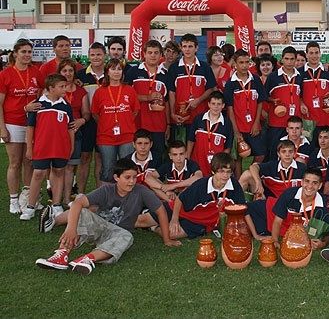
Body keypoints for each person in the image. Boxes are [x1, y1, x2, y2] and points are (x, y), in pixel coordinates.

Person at [35, 158, 180, 274]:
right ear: (116, 178)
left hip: (119, 233)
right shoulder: (106, 190)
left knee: (128, 237)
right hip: (99, 226)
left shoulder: (141, 191)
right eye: (127, 177)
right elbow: (78, 203)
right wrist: (71, 228)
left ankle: (86, 259)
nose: (132, 181)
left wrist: (167, 239)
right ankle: (61, 255)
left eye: (134, 177)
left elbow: (160, 210)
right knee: (84, 213)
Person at [138, 152, 245, 239]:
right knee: (140, 221)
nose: (225, 176)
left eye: (228, 172)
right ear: (213, 171)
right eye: (221, 171)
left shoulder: (234, 185)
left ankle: (154, 227)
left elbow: (242, 208)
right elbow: (180, 198)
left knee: (171, 234)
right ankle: (144, 218)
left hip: (199, 222)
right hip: (180, 209)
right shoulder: (202, 184)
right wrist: (174, 219)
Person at [20, 74, 74, 221]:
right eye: (61, 87)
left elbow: (70, 128)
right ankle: (30, 206)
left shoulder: (66, 106)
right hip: (41, 147)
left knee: (58, 172)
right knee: (38, 174)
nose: (65, 89)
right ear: (51, 88)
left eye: (66, 86)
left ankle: (56, 204)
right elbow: (30, 128)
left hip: (61, 147)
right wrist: (30, 148)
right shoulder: (38, 104)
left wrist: (71, 147)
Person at [0, 39, 44, 214]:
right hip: (13, 122)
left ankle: (27, 196)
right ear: (15, 53)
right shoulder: (6, 74)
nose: (27, 55)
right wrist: (2, 128)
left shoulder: (35, 72)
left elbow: (44, 89)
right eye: (23, 52)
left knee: (30, 161)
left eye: (29, 52)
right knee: (15, 163)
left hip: (33, 123)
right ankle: (13, 198)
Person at [246, 168, 329, 250]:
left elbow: (328, 232)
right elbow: (277, 221)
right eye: (307, 181)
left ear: (320, 185)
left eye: (314, 183)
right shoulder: (290, 194)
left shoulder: (323, 205)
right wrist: (275, 241)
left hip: (282, 226)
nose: (310, 186)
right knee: (241, 228)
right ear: (301, 182)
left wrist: (323, 244)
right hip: (263, 211)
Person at [91, 58, 140, 184]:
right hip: (106, 137)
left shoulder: (129, 90)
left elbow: (134, 111)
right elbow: (95, 113)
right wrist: (107, 123)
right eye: (113, 69)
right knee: (108, 169)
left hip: (127, 136)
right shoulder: (100, 92)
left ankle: (125, 200)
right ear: (107, 72)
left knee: (126, 169)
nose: (116, 72)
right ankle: (107, 201)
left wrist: (124, 121)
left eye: (119, 69)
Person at [224, 49, 267, 177]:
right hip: (237, 126)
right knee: (238, 156)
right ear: (235, 64)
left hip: (253, 126)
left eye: (247, 62)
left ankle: (249, 174)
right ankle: (239, 181)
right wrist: (236, 131)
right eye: (241, 62)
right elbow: (230, 108)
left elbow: (260, 102)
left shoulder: (255, 80)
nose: (244, 65)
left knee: (260, 154)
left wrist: (256, 123)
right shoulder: (230, 83)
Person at [167, 33, 217, 141]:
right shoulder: (174, 68)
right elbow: (171, 92)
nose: (187, 49)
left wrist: (199, 100)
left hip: (200, 113)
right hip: (180, 115)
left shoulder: (204, 67)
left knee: (198, 144)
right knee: (179, 147)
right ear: (181, 48)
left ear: (196, 48)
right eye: (184, 46)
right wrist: (172, 113)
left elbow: (211, 88)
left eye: (190, 46)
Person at [125, 40, 169, 162]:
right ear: (144, 54)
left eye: (156, 53)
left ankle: (157, 179)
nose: (153, 55)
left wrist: (168, 124)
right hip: (138, 121)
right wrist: (147, 98)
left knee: (157, 156)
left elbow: (168, 102)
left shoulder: (165, 75)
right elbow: (126, 95)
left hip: (158, 123)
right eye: (150, 52)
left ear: (161, 55)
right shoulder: (133, 72)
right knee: (137, 156)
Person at [58, 58, 90, 204]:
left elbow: (86, 113)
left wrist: (81, 121)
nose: (68, 73)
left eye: (71, 70)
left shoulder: (81, 91)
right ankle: (56, 198)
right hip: (57, 133)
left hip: (74, 133)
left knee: (70, 167)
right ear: (59, 72)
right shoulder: (54, 89)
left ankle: (66, 199)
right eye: (64, 70)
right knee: (58, 167)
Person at [77, 42, 106, 193]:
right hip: (87, 122)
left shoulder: (111, 73)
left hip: (105, 122)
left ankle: (99, 194)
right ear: (88, 56)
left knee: (101, 159)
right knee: (85, 158)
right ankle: (80, 193)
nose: (96, 57)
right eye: (93, 55)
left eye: (99, 54)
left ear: (104, 56)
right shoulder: (80, 75)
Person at [264, 46, 303, 157]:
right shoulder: (273, 77)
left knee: (292, 151)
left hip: (294, 122)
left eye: (292, 59)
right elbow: (264, 96)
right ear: (282, 59)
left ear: (296, 60)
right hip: (277, 122)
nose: (289, 62)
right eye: (286, 59)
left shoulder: (300, 76)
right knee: (275, 151)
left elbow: (300, 95)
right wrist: (273, 100)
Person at [239, 139, 307, 200]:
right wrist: (258, 182)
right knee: (247, 174)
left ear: (294, 153)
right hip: (270, 199)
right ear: (278, 154)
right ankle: (235, 203)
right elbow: (253, 167)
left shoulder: (302, 168)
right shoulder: (272, 165)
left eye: (290, 151)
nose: (287, 155)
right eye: (283, 152)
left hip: (292, 202)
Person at [186, 91, 233, 175]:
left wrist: (222, 164)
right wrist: (188, 158)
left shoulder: (227, 124)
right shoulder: (198, 119)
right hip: (198, 161)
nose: (216, 107)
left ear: (223, 105)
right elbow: (191, 140)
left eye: (219, 104)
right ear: (208, 104)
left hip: (216, 164)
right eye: (213, 103)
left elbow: (227, 148)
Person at [300, 42, 329, 147]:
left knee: (326, 148)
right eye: (311, 53)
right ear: (306, 54)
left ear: (320, 54)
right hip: (308, 119)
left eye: (316, 53)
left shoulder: (328, 72)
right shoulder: (300, 73)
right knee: (308, 149)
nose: (314, 56)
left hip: (325, 117)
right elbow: (297, 93)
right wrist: (301, 103)